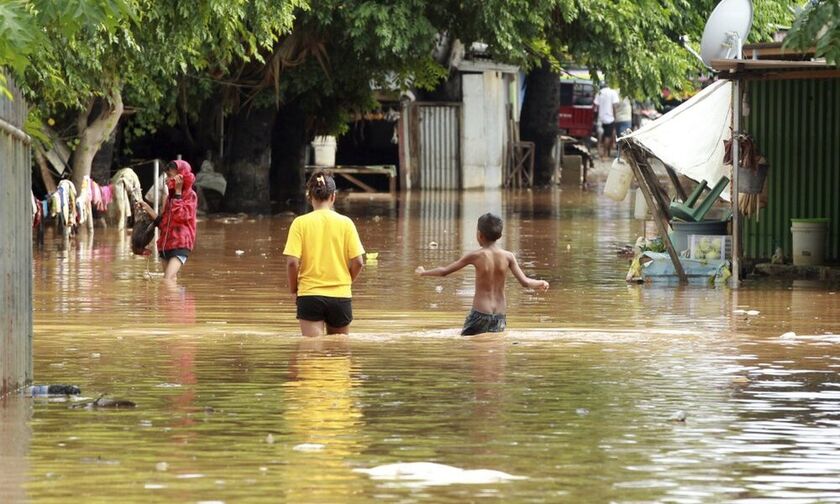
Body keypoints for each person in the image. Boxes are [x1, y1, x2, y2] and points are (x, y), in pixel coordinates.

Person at [415, 213, 549, 336]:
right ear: (500, 236)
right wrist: (541, 283)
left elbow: (444, 271)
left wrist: (423, 272)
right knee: (494, 348)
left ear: (479, 235)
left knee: (473, 349)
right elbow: (525, 282)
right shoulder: (508, 256)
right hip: (499, 316)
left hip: (480, 313)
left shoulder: (476, 256)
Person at [283, 171, 365, 337]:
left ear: (309, 196)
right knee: (339, 352)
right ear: (333, 197)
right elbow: (359, 262)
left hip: (310, 295)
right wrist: (346, 281)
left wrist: (294, 289)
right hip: (341, 296)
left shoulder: (300, 223)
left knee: (311, 351)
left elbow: (292, 263)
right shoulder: (346, 223)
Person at [137, 160, 198, 281]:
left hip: (180, 245)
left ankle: (180, 299)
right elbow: (163, 223)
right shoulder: (171, 198)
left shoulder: (191, 196)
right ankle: (179, 300)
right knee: (171, 279)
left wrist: (178, 193)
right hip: (166, 246)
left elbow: (181, 217)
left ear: (181, 177)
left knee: (167, 280)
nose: (166, 180)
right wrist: (147, 208)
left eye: (170, 176)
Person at [594, 83, 620, 160]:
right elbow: (614, 106)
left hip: (600, 118)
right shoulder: (613, 92)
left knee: (599, 136)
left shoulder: (599, 92)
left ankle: (599, 154)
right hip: (610, 118)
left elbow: (596, 106)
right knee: (607, 136)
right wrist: (615, 117)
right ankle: (605, 154)